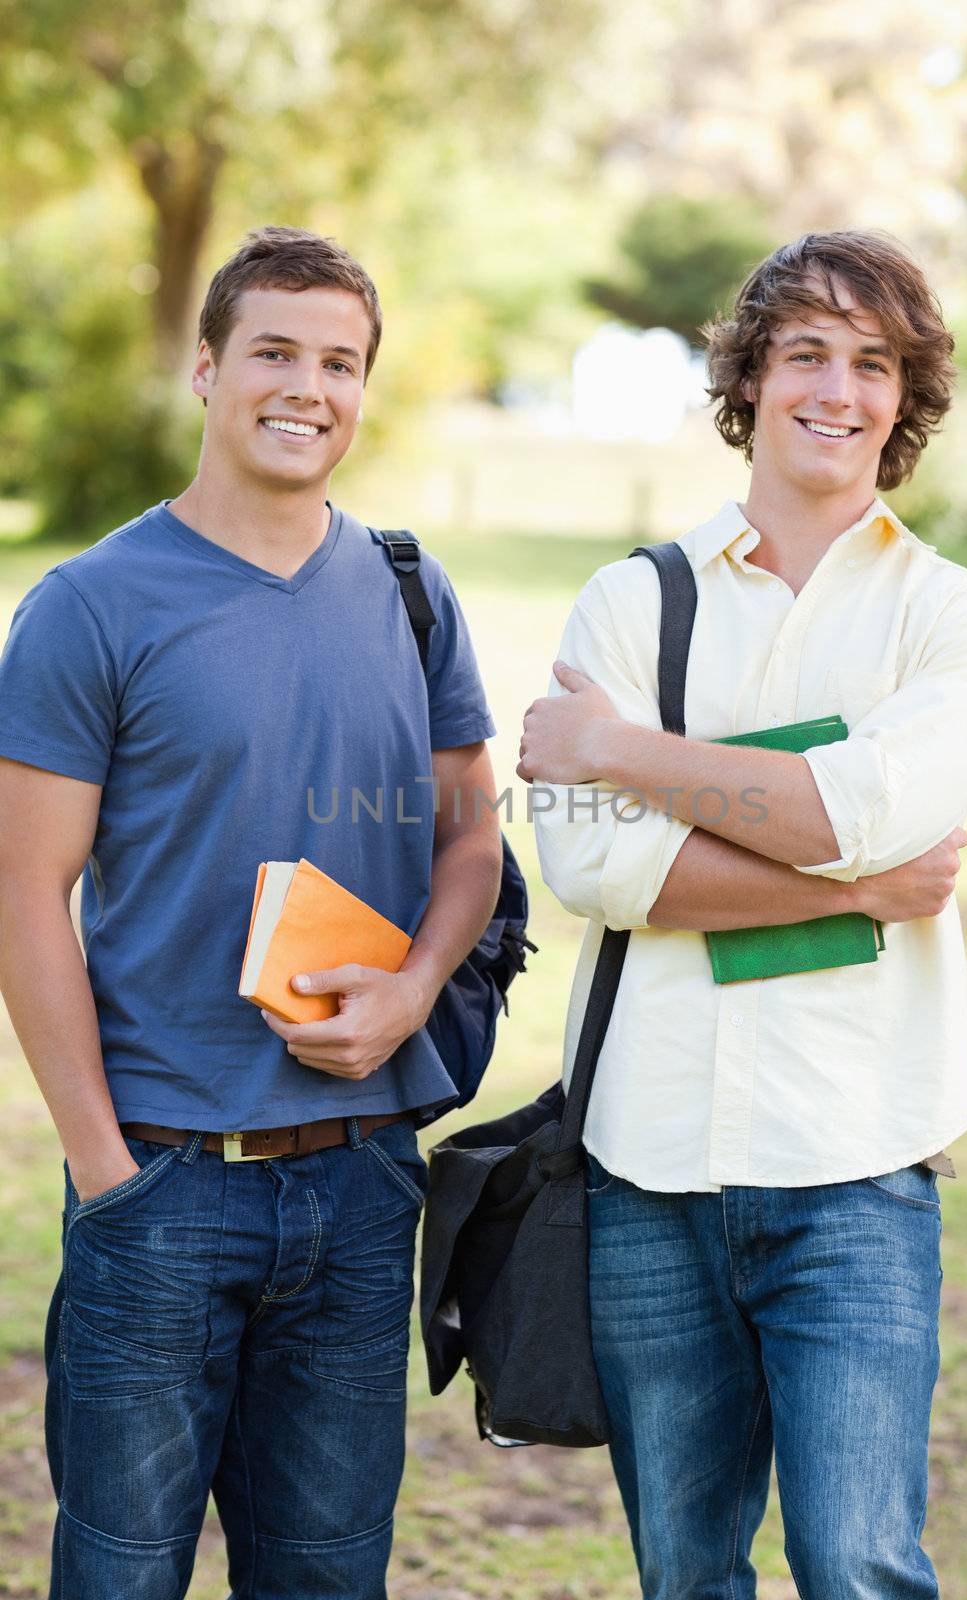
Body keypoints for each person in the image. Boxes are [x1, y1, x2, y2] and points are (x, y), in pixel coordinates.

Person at [517, 230, 967, 1600]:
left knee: (856, 1562)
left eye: (876, 363)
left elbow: (865, 811)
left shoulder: (960, 621)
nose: (838, 390)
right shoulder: (632, 601)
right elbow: (595, 876)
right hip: (649, 1163)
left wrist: (624, 752)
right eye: (806, 352)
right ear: (750, 379)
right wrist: (857, 885)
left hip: (857, 1166)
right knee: (685, 1573)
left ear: (905, 399)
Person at [0, 225, 502, 1600]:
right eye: (276, 351)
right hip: (159, 1182)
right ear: (208, 367)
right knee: (120, 1575)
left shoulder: (408, 592)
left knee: (329, 1576)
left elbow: (473, 833)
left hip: (358, 1186)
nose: (309, 387)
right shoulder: (91, 606)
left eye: (340, 362)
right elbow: (23, 893)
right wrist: (104, 1168)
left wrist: (412, 989)